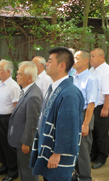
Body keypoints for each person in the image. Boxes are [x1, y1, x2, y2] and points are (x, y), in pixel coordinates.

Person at [30, 47, 84, 181]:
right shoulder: (54, 87)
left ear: (62, 65)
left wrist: (57, 154)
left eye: (49, 61)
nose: (46, 64)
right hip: (48, 148)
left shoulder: (69, 93)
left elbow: (68, 128)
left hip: (57, 154)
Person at [7, 61, 43, 181]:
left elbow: (32, 122)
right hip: (21, 139)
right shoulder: (27, 90)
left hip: (26, 142)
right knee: (24, 168)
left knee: (28, 171)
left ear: (29, 78)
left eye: (19, 74)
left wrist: (27, 142)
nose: (16, 76)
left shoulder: (33, 95)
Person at [72, 50, 99, 181]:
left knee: (82, 150)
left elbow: (91, 103)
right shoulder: (73, 77)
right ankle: (77, 175)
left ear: (85, 61)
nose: (74, 60)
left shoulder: (90, 79)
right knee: (73, 147)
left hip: (83, 116)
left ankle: (84, 178)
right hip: (73, 115)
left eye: (77, 58)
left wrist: (86, 124)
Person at [89, 48, 109, 169]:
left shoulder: (107, 72)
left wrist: (105, 108)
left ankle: (102, 157)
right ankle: (93, 154)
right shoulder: (92, 70)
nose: (91, 59)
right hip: (92, 106)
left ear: (102, 57)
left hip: (102, 106)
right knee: (93, 132)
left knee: (101, 134)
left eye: (93, 56)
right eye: (90, 56)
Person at [0, 59, 20, 181]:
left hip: (8, 119)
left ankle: (13, 171)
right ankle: (4, 165)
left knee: (9, 146)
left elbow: (16, 106)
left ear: (8, 71)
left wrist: (13, 123)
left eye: (0, 69)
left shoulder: (13, 86)